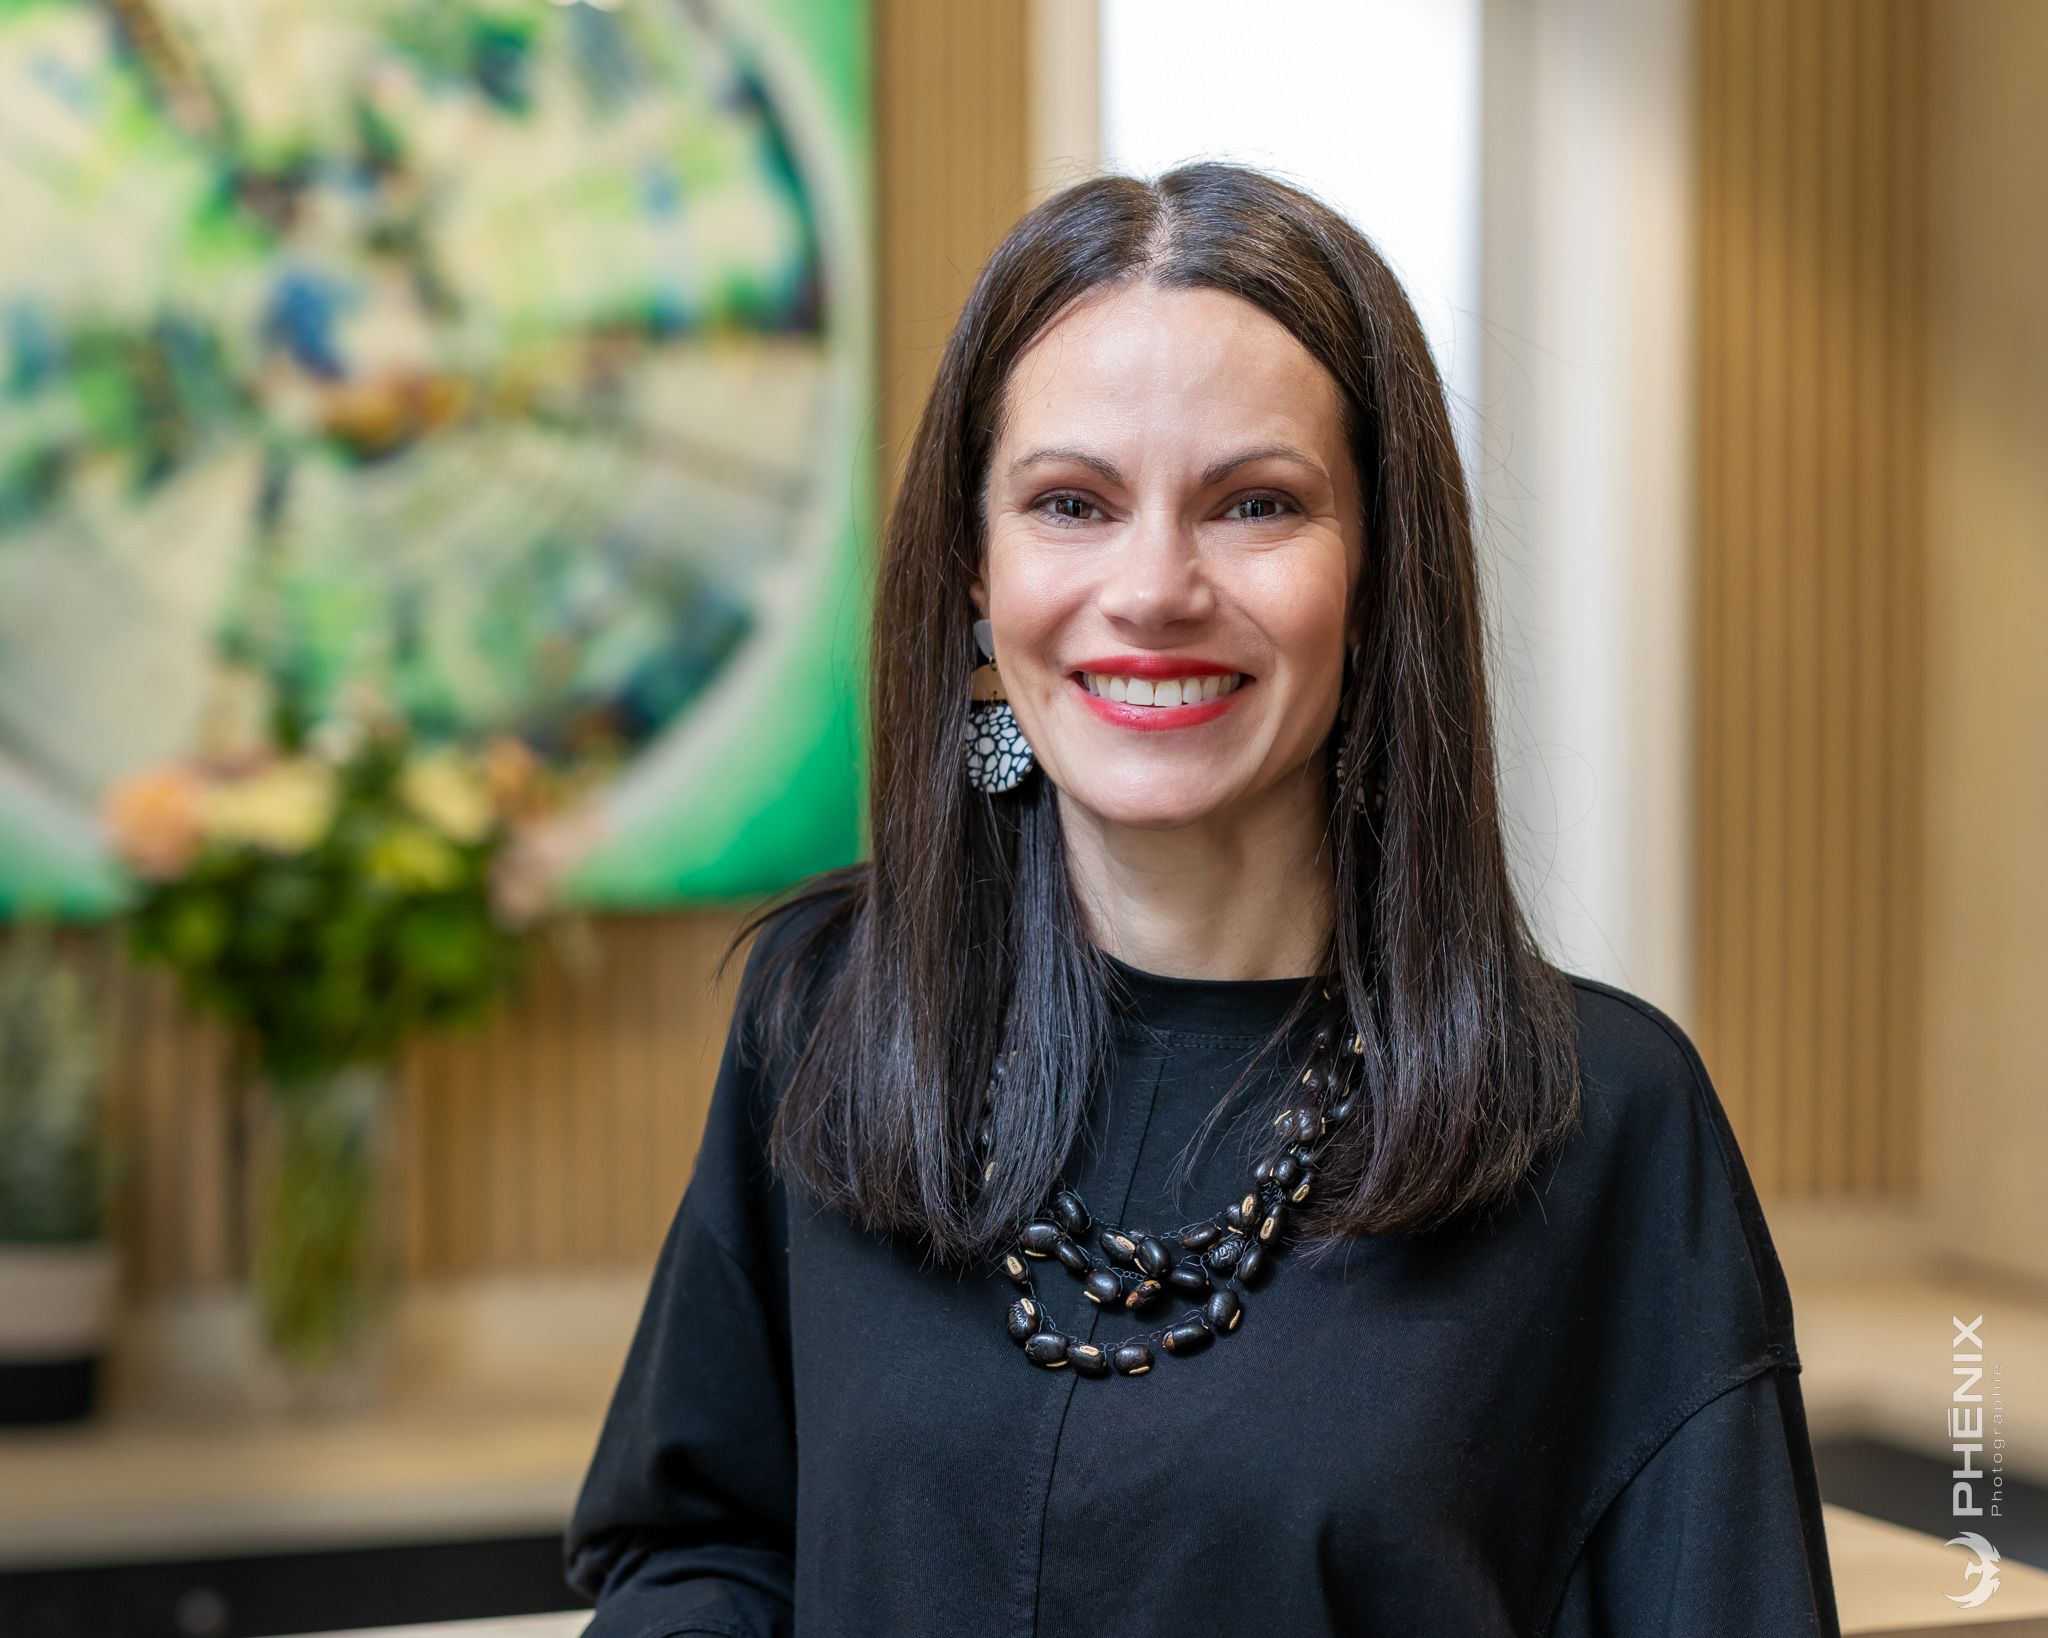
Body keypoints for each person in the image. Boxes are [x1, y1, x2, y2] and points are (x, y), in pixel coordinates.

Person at [566, 165, 1839, 1637]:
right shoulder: (828, 1013)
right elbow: (704, 1551)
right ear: (976, 570)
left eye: (1255, 504)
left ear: (1377, 574)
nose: (1156, 587)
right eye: (1071, 503)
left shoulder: (1600, 1120)